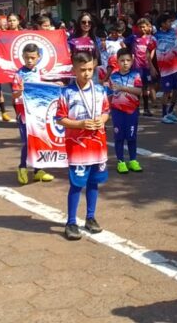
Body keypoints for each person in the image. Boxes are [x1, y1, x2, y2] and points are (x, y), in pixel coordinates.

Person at [56, 52, 110, 241]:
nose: (87, 73)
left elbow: (105, 112)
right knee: (77, 184)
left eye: (90, 69)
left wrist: (100, 121)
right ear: (74, 70)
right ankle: (71, 222)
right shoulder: (66, 93)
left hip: (97, 144)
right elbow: (60, 119)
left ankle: (90, 217)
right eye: (82, 70)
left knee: (94, 182)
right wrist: (79, 124)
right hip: (77, 146)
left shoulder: (100, 90)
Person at [11, 44, 55, 184]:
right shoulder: (18, 74)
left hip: (39, 112)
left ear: (39, 57)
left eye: (32, 58)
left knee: (39, 140)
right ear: (22, 57)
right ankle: (22, 168)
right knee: (27, 142)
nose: (29, 60)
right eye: (27, 58)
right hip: (24, 112)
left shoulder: (40, 72)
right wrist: (20, 91)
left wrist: (56, 85)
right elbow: (14, 94)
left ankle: (38, 170)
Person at [106, 48, 143, 174]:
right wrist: (107, 110)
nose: (125, 63)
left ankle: (133, 160)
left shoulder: (136, 75)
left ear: (132, 61)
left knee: (132, 137)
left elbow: (139, 91)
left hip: (132, 111)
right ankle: (121, 162)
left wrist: (123, 88)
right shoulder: (113, 77)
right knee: (119, 137)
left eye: (128, 60)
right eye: (122, 60)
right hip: (117, 111)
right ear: (117, 61)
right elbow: (109, 95)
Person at [153, 13, 177, 124]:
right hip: (165, 68)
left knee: (176, 90)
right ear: (162, 24)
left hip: (175, 66)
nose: (170, 23)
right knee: (167, 91)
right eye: (168, 22)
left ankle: (170, 111)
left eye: (171, 21)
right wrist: (152, 67)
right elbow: (149, 51)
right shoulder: (156, 36)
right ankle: (164, 114)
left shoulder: (173, 32)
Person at [126, 17, 156, 117]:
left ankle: (146, 109)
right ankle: (136, 108)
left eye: (144, 27)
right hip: (136, 67)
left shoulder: (150, 39)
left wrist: (150, 64)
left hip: (146, 68)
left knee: (145, 88)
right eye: (140, 27)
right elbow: (123, 43)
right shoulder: (133, 38)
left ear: (148, 27)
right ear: (137, 28)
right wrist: (128, 56)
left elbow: (151, 51)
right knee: (137, 89)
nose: (142, 29)